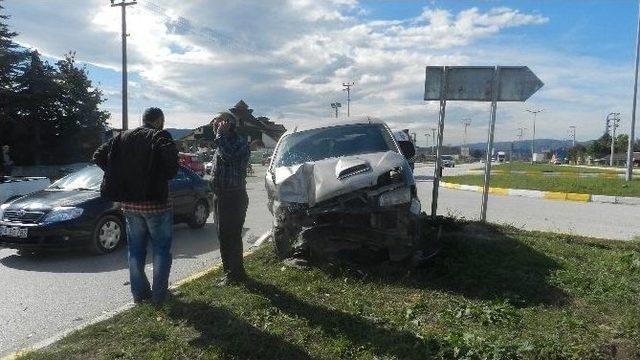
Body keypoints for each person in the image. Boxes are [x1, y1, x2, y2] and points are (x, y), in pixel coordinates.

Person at [93, 108, 178, 305]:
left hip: (129, 204)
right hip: (155, 203)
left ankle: (139, 295)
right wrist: (158, 176)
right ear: (159, 121)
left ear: (144, 120)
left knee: (135, 250)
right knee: (161, 250)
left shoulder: (122, 137)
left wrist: (119, 173)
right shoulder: (160, 135)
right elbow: (172, 167)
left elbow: (98, 155)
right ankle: (159, 296)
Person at [211, 112, 250, 284]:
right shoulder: (222, 142)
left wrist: (220, 135)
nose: (215, 126)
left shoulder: (238, 144)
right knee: (223, 236)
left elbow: (228, 156)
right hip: (221, 195)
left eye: (219, 123)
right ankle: (230, 273)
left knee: (231, 236)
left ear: (228, 125)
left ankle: (236, 274)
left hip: (234, 195)